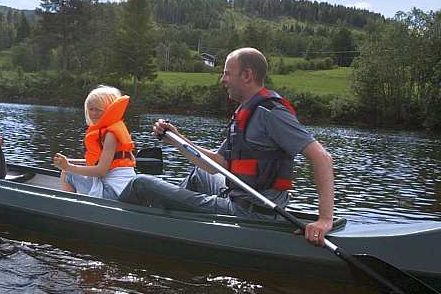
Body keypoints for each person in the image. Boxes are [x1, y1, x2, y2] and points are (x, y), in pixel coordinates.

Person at [119, 47, 334, 246]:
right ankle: (171, 225)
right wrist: (177, 139)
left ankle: (127, 222)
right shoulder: (246, 112)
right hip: (238, 198)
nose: (223, 79)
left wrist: (324, 220)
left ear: (247, 75)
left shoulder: (271, 113)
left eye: (227, 74)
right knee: (199, 174)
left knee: (140, 184)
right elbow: (216, 165)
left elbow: (322, 157)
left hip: (250, 213)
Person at [53, 85, 137, 199]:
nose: (93, 113)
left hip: (112, 193)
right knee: (68, 169)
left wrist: (68, 167)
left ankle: (69, 207)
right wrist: (69, 162)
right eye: (91, 109)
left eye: (98, 110)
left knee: (67, 173)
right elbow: (103, 161)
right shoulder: (113, 129)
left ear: (109, 109)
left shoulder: (111, 135)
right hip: (119, 190)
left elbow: (100, 171)